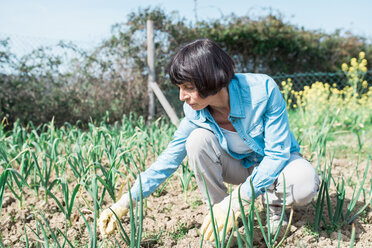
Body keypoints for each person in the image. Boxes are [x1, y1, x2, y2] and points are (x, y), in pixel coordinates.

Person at [98, 38, 320, 242]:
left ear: (211, 80)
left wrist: (236, 201)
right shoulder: (195, 112)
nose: (181, 97)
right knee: (197, 140)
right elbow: (168, 160)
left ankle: (273, 206)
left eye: (188, 88)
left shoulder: (262, 91)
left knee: (303, 182)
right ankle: (218, 214)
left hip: (278, 166)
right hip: (240, 168)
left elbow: (277, 155)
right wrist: (123, 203)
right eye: (179, 88)